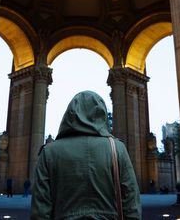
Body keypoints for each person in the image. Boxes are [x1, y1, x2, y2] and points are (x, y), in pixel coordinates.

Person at [31, 91, 141, 219]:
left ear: (70, 114)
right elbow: (131, 201)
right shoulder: (118, 149)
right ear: (101, 113)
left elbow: (40, 209)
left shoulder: (48, 152)